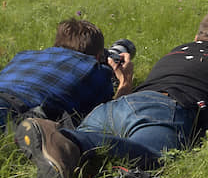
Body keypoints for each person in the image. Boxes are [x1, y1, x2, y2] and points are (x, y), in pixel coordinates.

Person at [15, 11, 208, 178]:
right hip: (166, 108)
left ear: (196, 38)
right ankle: (67, 140)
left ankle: (64, 145)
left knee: (91, 157)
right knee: (155, 157)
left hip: (120, 104)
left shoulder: (175, 51)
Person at [0, 19, 133, 129]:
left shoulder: (24, 55)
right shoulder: (96, 70)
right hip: (25, 114)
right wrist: (125, 82)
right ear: (99, 56)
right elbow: (110, 118)